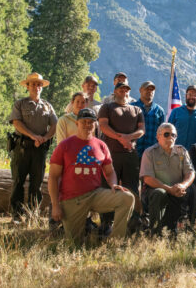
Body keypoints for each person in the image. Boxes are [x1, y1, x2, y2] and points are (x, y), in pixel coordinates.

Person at [47, 108, 135, 243]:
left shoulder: (101, 145)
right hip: (72, 199)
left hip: (95, 194)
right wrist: (55, 205)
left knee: (127, 198)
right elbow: (53, 176)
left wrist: (113, 184)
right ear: (77, 124)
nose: (88, 125)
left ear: (96, 125)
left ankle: (115, 242)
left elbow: (110, 171)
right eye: (84, 122)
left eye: (91, 122)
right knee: (74, 245)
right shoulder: (65, 146)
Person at [9, 73, 57, 222]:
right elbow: (16, 123)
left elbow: (55, 125)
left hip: (40, 149)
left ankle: (32, 214)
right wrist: (33, 136)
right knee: (18, 181)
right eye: (33, 84)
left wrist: (45, 138)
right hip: (21, 147)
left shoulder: (48, 106)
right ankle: (16, 215)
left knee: (36, 183)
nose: (36, 87)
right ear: (28, 86)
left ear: (41, 87)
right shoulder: (20, 104)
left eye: (39, 84)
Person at [98, 81, 145, 231]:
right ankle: (106, 222)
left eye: (126, 89)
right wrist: (121, 138)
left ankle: (133, 221)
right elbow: (103, 126)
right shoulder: (107, 107)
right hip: (110, 154)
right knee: (108, 187)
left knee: (131, 187)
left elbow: (142, 130)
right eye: (121, 89)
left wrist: (129, 138)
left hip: (130, 155)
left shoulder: (136, 109)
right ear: (115, 91)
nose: (124, 91)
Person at [140, 123, 196, 234]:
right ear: (158, 136)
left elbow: (190, 172)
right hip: (156, 189)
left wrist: (183, 185)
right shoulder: (149, 153)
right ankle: (155, 231)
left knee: (192, 189)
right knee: (159, 193)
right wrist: (168, 188)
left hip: (177, 188)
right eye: (166, 134)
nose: (170, 137)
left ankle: (188, 227)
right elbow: (148, 178)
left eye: (173, 135)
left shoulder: (182, 151)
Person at [131, 81, 166, 160]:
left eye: (152, 90)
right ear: (140, 90)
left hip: (152, 154)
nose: (149, 91)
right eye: (147, 89)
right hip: (133, 152)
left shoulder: (159, 111)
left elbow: (162, 133)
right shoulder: (131, 107)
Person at [168, 85, 196, 150]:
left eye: (195, 95)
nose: (192, 97)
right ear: (186, 96)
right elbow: (168, 130)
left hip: (193, 153)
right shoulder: (176, 112)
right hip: (175, 151)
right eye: (190, 94)